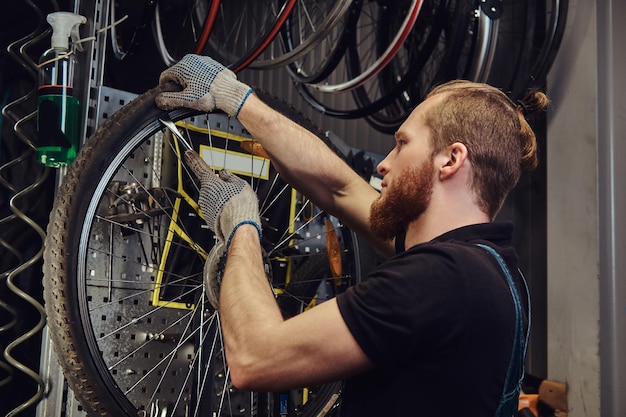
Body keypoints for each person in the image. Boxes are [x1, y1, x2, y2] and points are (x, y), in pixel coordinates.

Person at [155, 54, 549, 417]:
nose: (384, 165)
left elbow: (255, 356)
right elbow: (340, 190)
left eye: (402, 144)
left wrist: (241, 224)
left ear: (451, 159)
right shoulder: (491, 270)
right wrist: (236, 97)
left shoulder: (442, 279)